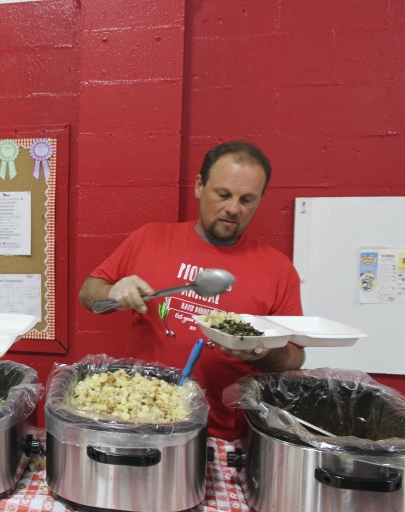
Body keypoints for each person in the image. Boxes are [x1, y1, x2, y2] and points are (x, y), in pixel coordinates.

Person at [79, 140, 305, 441]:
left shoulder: (278, 268)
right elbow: (88, 293)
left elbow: (295, 357)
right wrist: (113, 293)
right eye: (223, 194)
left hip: (220, 435)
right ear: (200, 186)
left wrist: (260, 352)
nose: (233, 208)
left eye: (247, 200)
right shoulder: (149, 239)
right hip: (137, 422)